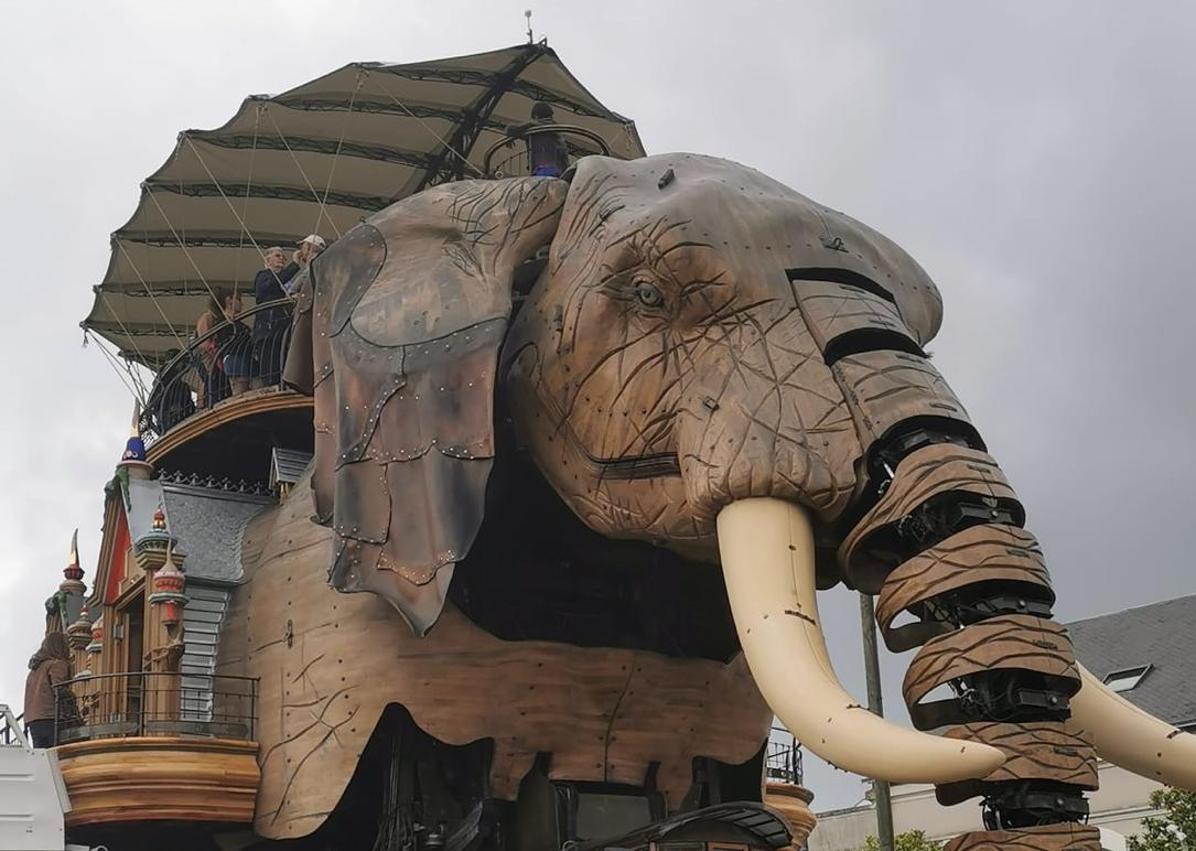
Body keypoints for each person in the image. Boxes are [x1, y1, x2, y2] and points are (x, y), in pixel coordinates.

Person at [252, 247, 300, 387]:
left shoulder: (280, 283)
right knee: (270, 367)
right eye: (278, 256)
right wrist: (295, 264)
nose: (281, 259)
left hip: (279, 332)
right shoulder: (263, 276)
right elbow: (273, 284)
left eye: (283, 257)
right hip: (267, 332)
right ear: (267, 260)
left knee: (281, 364)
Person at [196, 289, 252, 402]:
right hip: (217, 364)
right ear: (228, 300)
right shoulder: (210, 318)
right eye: (238, 299)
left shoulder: (230, 323)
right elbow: (205, 344)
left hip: (225, 363)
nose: (242, 303)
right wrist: (217, 359)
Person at [24, 632, 72, 748]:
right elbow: (59, 689)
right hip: (51, 716)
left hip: (33, 719)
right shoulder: (57, 664)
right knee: (58, 756)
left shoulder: (34, 670)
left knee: (43, 757)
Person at [509, 101, 569, 178]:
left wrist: (510, 136)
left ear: (536, 116)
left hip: (541, 169)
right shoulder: (557, 129)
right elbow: (563, 154)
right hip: (559, 171)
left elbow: (512, 129)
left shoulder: (534, 128)